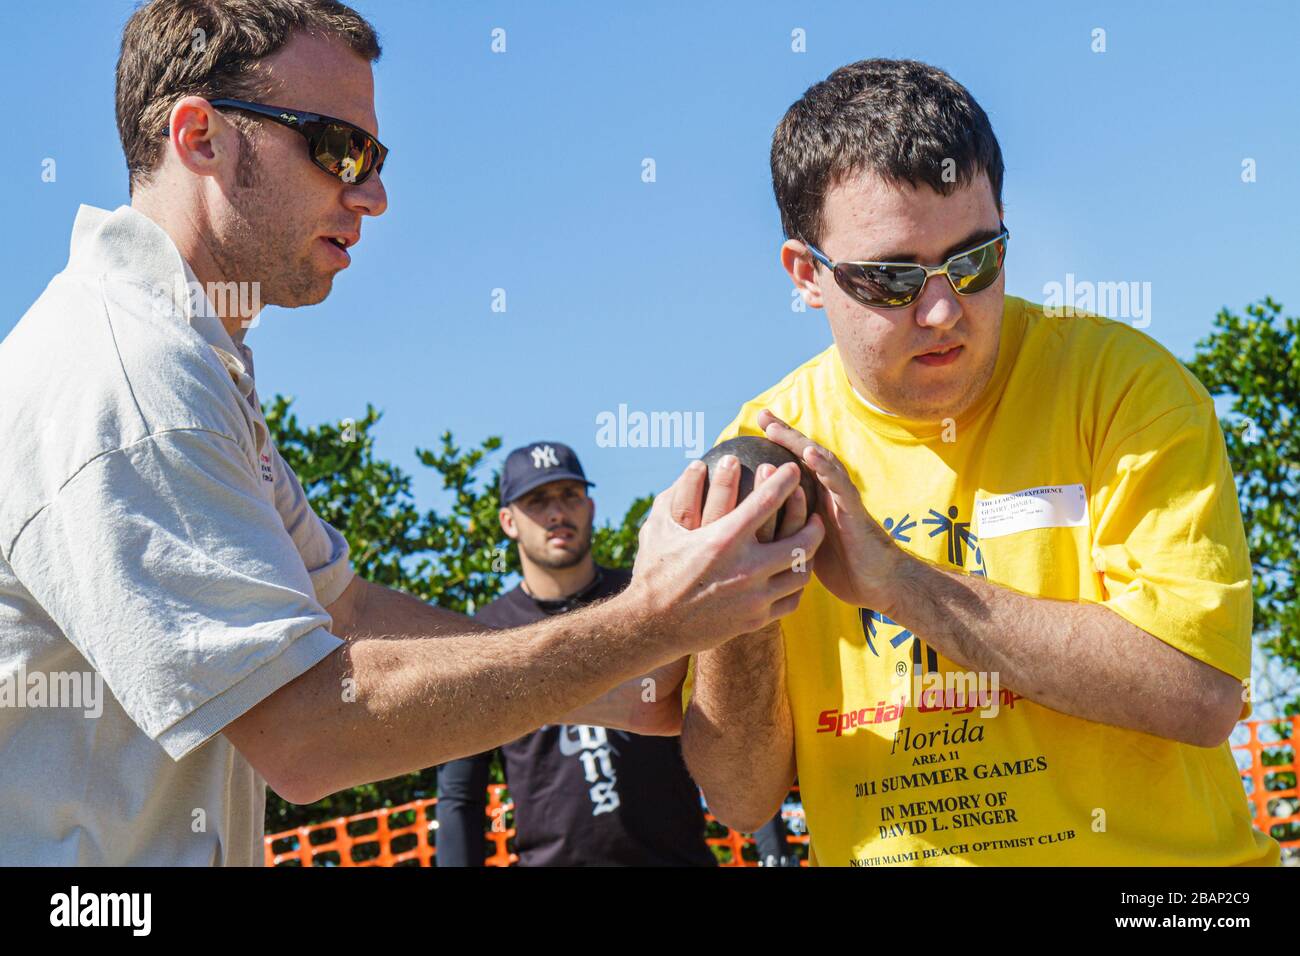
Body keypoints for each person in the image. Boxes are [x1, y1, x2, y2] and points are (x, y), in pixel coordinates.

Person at [0, 0, 822, 865]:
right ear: (199, 136)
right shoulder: (132, 380)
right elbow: (307, 732)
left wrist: (618, 689)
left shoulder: (186, 357)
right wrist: (651, 622)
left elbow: (349, 613)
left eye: (374, 155)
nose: (375, 193)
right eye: (338, 148)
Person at [680, 58, 1281, 867]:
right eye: (891, 278)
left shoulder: (1124, 387)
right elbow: (741, 797)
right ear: (806, 276)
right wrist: (738, 615)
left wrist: (900, 584)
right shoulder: (762, 451)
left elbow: (1201, 693)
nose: (941, 310)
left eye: (974, 261)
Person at [436, 443, 715, 866]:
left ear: (590, 506)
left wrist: (773, 848)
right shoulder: (484, 636)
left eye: (570, 495)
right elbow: (460, 792)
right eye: (537, 500)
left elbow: (725, 712)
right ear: (508, 521)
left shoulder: (647, 600)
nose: (556, 513)